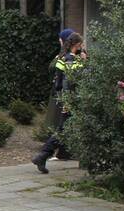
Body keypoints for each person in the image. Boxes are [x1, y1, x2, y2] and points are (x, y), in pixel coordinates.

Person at [33, 32, 85, 174]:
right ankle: (42, 156)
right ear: (77, 45)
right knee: (63, 130)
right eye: (81, 44)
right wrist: (68, 101)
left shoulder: (64, 57)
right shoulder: (70, 59)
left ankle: (43, 156)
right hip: (71, 100)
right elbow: (68, 81)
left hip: (69, 99)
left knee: (65, 129)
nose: (82, 47)